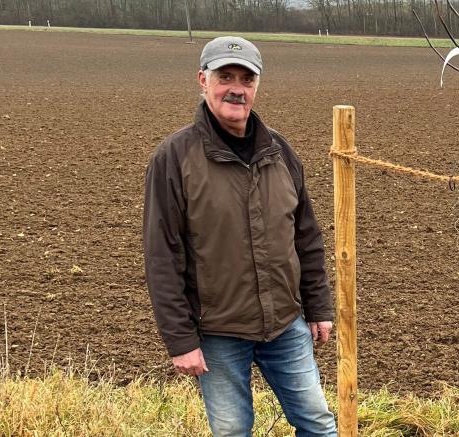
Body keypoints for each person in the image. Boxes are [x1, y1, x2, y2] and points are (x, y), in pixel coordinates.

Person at [143, 36, 337, 436]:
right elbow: (162, 257)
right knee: (232, 431)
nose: (236, 88)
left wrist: (318, 306)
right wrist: (180, 340)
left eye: (246, 79)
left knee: (318, 424)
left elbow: (306, 237)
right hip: (217, 332)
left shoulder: (279, 152)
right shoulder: (174, 158)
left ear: (257, 86)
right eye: (225, 76)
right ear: (202, 79)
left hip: (285, 324)